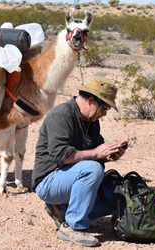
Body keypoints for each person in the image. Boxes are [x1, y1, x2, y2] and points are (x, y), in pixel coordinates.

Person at [32, 77, 127, 247]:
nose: (105, 114)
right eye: (104, 108)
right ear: (91, 101)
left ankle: (61, 209)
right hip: (49, 181)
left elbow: (94, 154)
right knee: (93, 169)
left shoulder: (91, 121)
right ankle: (74, 228)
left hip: (71, 178)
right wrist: (97, 153)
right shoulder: (61, 115)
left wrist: (110, 155)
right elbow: (64, 156)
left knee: (120, 194)